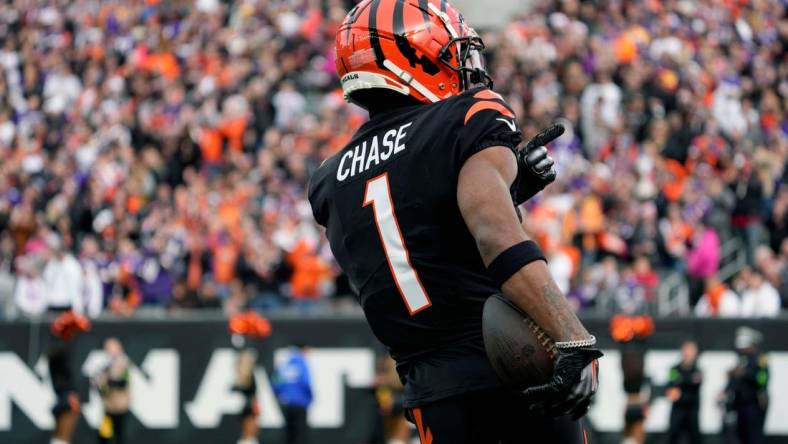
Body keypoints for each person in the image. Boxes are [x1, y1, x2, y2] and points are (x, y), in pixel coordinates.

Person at [308, 1, 601, 442]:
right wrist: (572, 337)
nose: (460, 64)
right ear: (412, 56)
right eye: (449, 52)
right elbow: (492, 231)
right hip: (513, 373)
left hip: (431, 395)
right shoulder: (466, 116)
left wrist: (512, 186)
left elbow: (418, 236)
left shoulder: (330, 179)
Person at [723, 327, 770, 444]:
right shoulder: (742, 360)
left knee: (754, 436)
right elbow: (735, 380)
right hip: (740, 403)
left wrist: (746, 374)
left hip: (754, 403)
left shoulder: (760, 359)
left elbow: (762, 379)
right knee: (741, 435)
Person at [272, 345, 313, 444]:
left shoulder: (285, 364)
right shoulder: (302, 363)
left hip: (287, 404)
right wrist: (310, 398)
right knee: (300, 433)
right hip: (300, 403)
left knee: (289, 433)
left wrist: (280, 395)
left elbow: (276, 382)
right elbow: (306, 382)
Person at [93, 338, 131, 444]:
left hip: (120, 408)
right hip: (108, 408)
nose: (111, 351)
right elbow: (101, 387)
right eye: (108, 348)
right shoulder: (105, 365)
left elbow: (122, 382)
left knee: (119, 434)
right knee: (104, 435)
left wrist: (107, 379)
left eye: (113, 348)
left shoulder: (124, 362)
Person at [666, 340, 702, 444]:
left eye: (692, 352)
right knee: (673, 435)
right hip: (678, 410)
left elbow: (696, 383)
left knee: (694, 437)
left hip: (692, 410)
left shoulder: (697, 370)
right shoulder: (674, 369)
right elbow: (671, 385)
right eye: (687, 351)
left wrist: (682, 381)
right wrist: (688, 380)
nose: (690, 355)